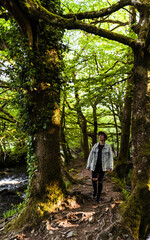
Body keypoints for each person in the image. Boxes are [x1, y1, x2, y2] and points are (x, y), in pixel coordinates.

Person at [86, 131, 113, 203]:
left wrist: (111, 167)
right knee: (94, 179)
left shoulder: (108, 147)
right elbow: (90, 156)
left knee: (100, 181)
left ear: (104, 137)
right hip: (94, 165)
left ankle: (98, 197)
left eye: (101, 135)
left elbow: (110, 157)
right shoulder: (95, 146)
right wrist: (88, 165)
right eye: (99, 135)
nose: (100, 136)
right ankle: (95, 191)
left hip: (103, 166)